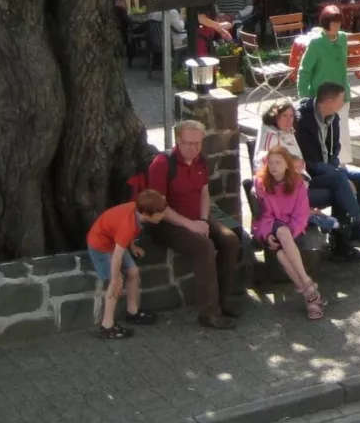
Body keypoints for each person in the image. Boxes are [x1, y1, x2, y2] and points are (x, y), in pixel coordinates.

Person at [146, 120, 244, 329]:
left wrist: (201, 220)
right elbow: (159, 206)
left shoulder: (201, 161)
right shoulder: (162, 164)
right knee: (204, 246)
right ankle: (208, 313)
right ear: (178, 140)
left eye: (197, 144)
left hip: (196, 218)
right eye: (188, 143)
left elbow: (204, 193)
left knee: (231, 240)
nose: (193, 148)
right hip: (168, 223)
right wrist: (190, 226)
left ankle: (222, 301)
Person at [295, 83, 360, 262]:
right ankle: (348, 235)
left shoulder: (333, 118)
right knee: (340, 182)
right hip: (310, 174)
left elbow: (335, 149)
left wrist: (336, 169)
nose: (343, 103)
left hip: (329, 169)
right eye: (340, 100)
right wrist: (338, 174)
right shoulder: (302, 119)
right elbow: (309, 161)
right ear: (328, 102)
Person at [250, 146, 326, 320]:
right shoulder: (261, 184)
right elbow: (262, 217)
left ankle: (309, 297)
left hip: (294, 229)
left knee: (283, 255)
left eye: (278, 162)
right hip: (272, 228)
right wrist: (268, 234)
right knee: (282, 232)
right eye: (271, 163)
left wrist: (290, 234)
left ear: (287, 165)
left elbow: (301, 214)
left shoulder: (298, 184)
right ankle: (309, 286)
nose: (274, 166)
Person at [87, 190, 168, 340]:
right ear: (146, 214)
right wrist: (114, 279)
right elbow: (117, 255)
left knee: (133, 272)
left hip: (116, 241)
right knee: (117, 285)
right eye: (159, 213)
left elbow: (124, 232)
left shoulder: (136, 212)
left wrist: (132, 247)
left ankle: (132, 311)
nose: (163, 215)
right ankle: (107, 326)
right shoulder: (128, 226)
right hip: (101, 246)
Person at [298, 4, 351, 162]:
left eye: (338, 23)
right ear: (325, 23)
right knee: (323, 133)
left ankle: (342, 165)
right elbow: (304, 71)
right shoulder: (315, 43)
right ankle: (325, 163)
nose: (335, 26)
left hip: (341, 94)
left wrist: (346, 92)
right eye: (332, 23)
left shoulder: (343, 38)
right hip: (322, 97)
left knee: (342, 131)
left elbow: (343, 66)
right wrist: (304, 99)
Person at [256, 99, 305, 174]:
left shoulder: (287, 131)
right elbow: (264, 169)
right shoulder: (270, 137)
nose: (289, 120)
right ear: (275, 117)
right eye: (284, 115)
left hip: (300, 178)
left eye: (291, 116)